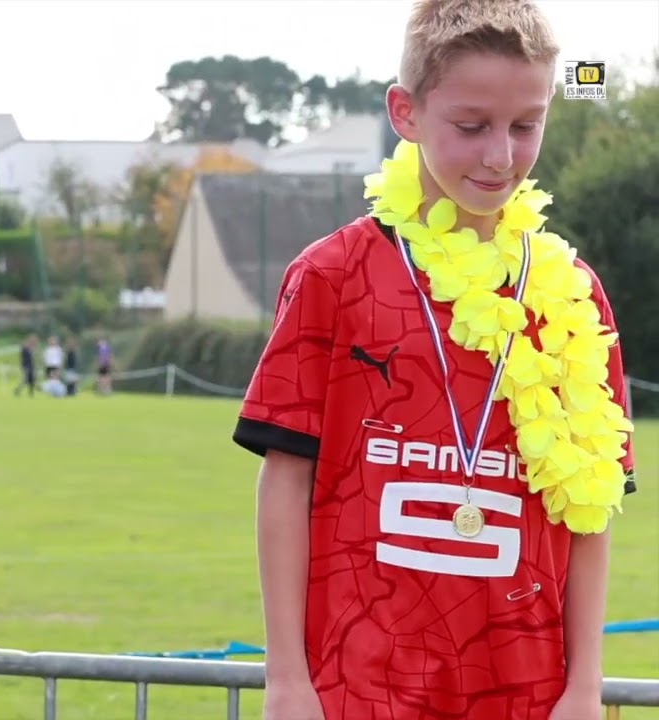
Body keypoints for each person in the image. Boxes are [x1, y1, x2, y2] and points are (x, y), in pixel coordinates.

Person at [234, 3, 637, 720]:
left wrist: (584, 687)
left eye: (526, 125)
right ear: (406, 112)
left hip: (527, 693)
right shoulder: (332, 276)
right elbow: (284, 483)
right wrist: (287, 679)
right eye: (471, 126)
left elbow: (591, 513)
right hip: (356, 689)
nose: (500, 156)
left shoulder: (574, 298)